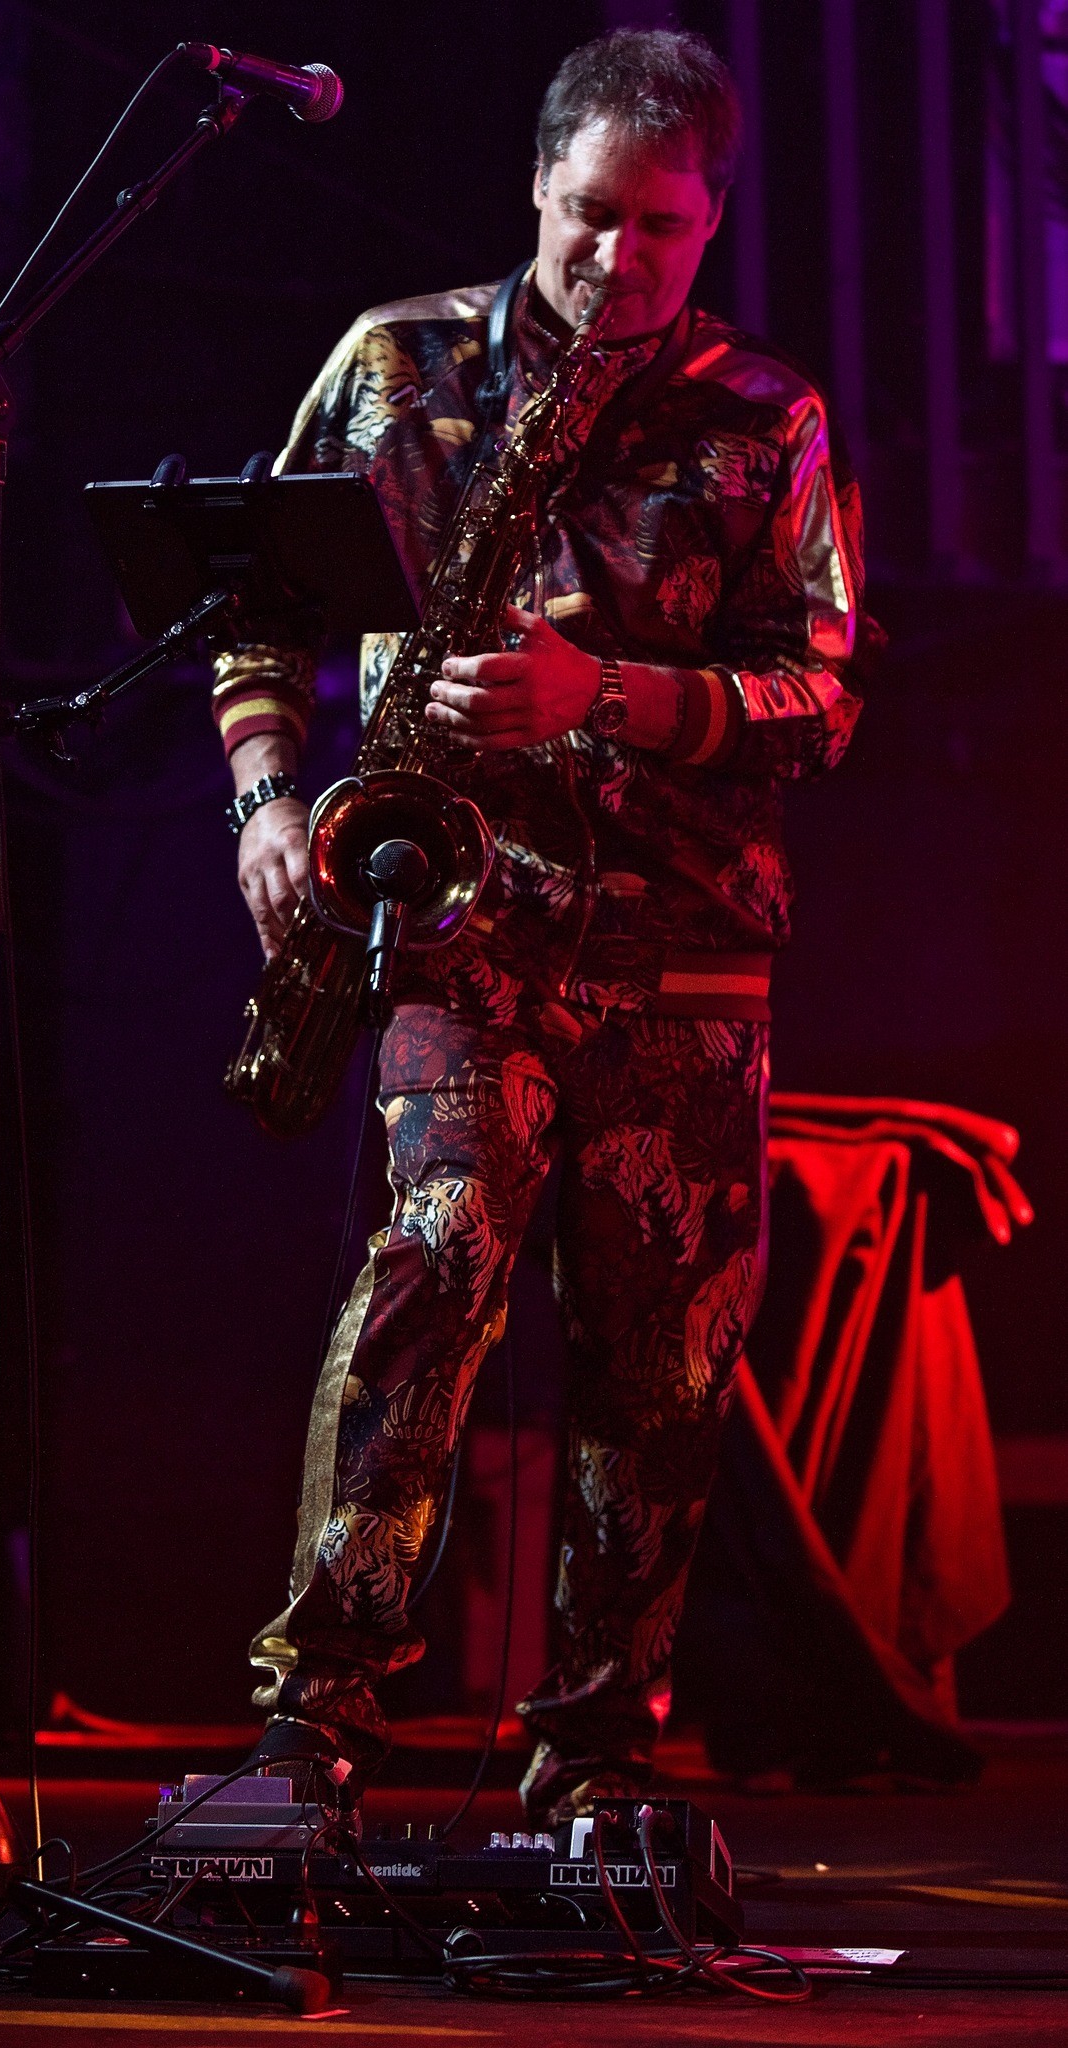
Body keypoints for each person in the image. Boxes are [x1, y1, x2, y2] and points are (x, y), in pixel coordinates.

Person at [211, 28, 874, 1825]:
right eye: (588, 213)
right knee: (422, 1291)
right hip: (455, 922)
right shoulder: (396, 363)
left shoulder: (771, 416)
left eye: (660, 228)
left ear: (712, 221)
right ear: (534, 185)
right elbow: (248, 608)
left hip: (684, 944)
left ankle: (595, 1761)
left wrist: (613, 696)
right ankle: (313, 1728)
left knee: (663, 1365)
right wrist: (267, 800)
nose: (615, 257)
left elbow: (826, 701)